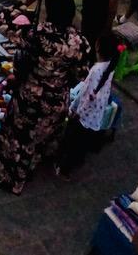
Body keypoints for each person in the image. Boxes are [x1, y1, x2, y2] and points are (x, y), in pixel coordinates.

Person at [0, 0, 90, 194]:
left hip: (29, 100)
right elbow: (81, 75)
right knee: (38, 140)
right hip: (57, 102)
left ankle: (13, 180)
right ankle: (32, 167)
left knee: (19, 140)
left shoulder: (37, 34)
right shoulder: (79, 42)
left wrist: (23, 5)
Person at [57, 33, 121, 178]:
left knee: (71, 142)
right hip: (94, 115)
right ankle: (77, 162)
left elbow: (86, 94)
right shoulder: (110, 67)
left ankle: (64, 168)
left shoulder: (96, 70)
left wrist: (75, 109)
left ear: (98, 48)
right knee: (81, 144)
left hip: (83, 115)